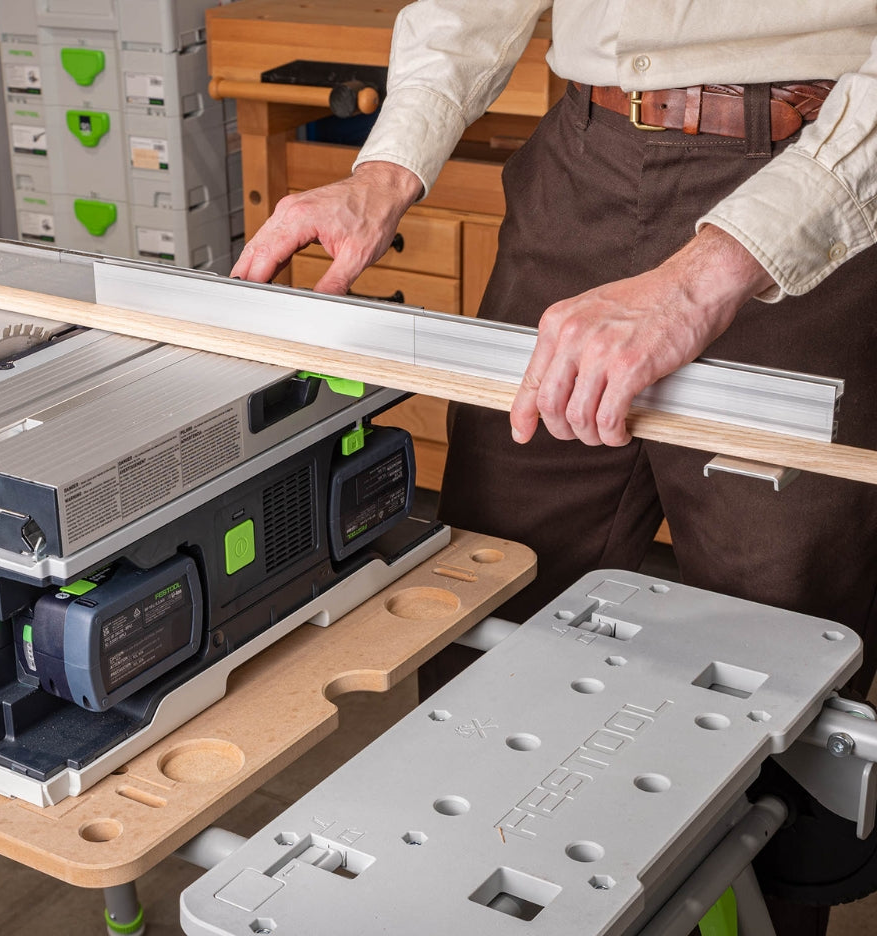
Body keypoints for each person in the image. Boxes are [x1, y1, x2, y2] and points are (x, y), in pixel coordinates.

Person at [231, 5, 877, 932]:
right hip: (587, 162)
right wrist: (384, 169)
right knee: (494, 585)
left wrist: (707, 275)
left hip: (811, 189)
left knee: (780, 647)